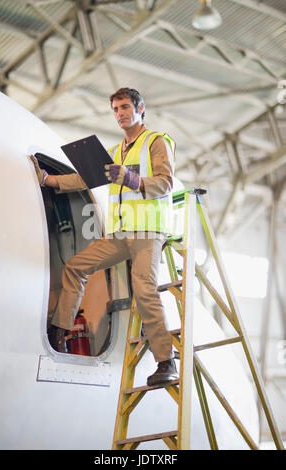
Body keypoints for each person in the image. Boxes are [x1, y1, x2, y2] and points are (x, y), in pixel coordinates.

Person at [31, 87, 178, 387]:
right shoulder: (113, 152)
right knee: (75, 266)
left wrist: (131, 178)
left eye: (125, 107)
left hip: (148, 232)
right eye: (115, 109)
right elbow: (84, 179)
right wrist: (49, 180)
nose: (120, 113)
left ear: (140, 109)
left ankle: (167, 361)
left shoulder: (156, 142)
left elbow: (165, 183)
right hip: (121, 234)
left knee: (144, 288)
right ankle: (59, 332)